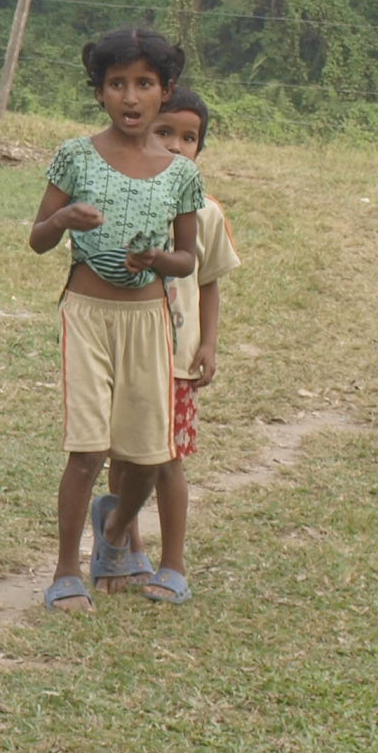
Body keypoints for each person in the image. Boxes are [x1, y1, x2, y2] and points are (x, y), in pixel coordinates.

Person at [27, 26, 202, 613]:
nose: (131, 97)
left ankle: (116, 533)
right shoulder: (75, 156)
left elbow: (188, 258)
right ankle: (65, 572)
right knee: (87, 451)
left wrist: (157, 260)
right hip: (88, 316)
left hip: (149, 320)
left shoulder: (180, 173)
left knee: (149, 453)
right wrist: (63, 221)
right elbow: (37, 238)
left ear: (165, 91)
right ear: (99, 91)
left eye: (145, 84)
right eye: (117, 84)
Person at [89, 82, 239, 604]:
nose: (176, 146)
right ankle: (124, 549)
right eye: (164, 132)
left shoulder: (207, 213)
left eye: (189, 138)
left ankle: (171, 563)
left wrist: (208, 344)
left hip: (176, 360)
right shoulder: (119, 199)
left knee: (167, 459)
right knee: (125, 455)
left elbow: (209, 281)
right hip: (126, 352)